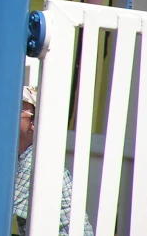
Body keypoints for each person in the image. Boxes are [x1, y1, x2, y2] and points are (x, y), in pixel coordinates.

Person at [13, 86, 94, 236]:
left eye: (17, 109)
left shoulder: (34, 162)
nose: (8, 113)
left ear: (33, 123)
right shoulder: (23, 156)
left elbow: (2, 207)